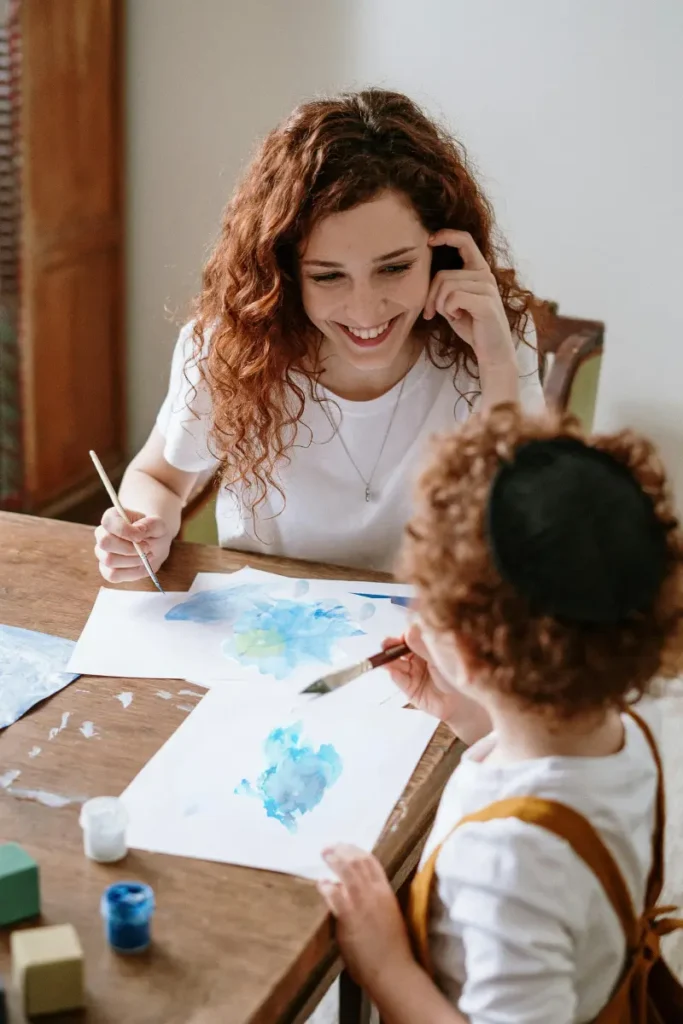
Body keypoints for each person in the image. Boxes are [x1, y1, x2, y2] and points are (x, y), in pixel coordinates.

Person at [319, 404, 683, 1024]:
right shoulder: (626, 730)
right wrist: (469, 713)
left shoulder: (508, 863)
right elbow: (552, 785)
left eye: (423, 605)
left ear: (465, 651)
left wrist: (383, 966)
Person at [94, 89, 545, 579]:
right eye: (328, 276)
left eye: (394, 268)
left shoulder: (493, 333)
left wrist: (498, 364)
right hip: (266, 638)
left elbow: (531, 535)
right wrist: (145, 525)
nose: (365, 309)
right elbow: (157, 477)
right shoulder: (232, 345)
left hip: (431, 639)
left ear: (442, 251)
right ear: (285, 271)